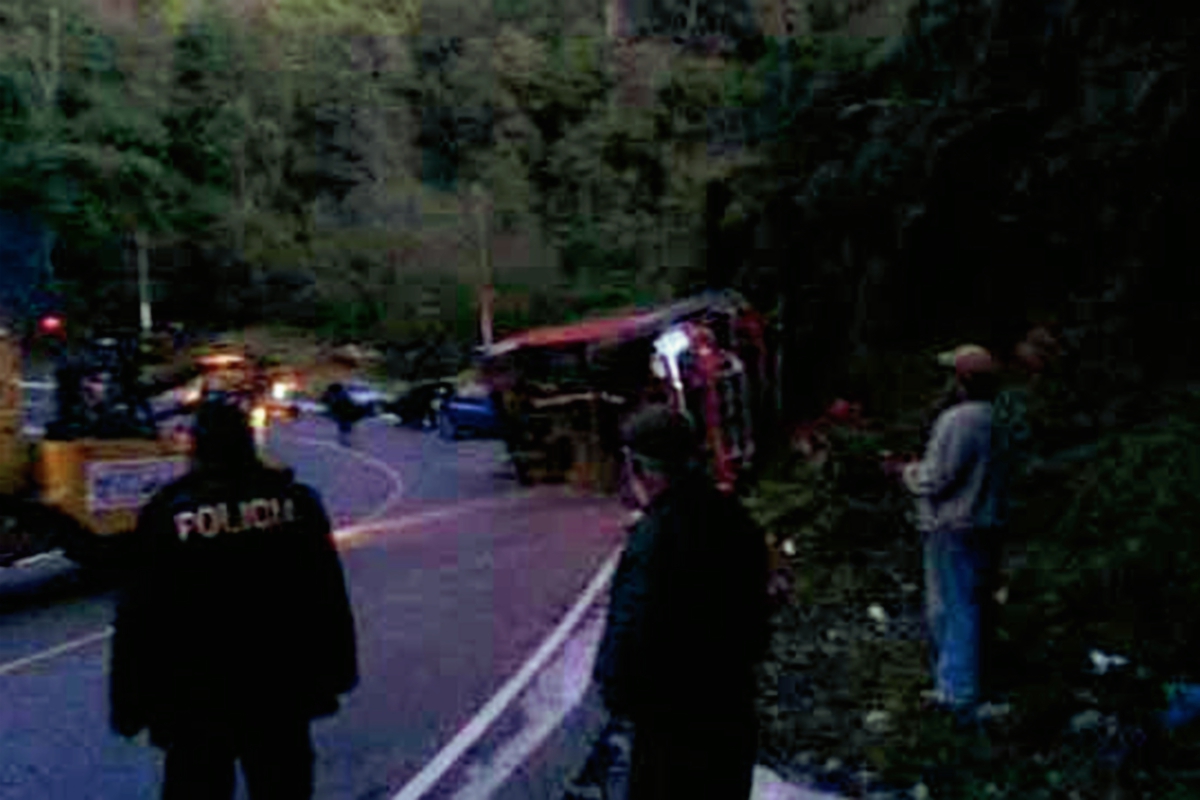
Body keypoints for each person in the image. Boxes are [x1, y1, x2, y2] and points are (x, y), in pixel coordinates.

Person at [110, 399, 359, 800]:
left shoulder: (168, 514)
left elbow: (138, 619)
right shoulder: (295, 503)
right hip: (280, 689)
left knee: (198, 784)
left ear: (196, 446)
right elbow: (326, 596)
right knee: (283, 784)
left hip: (196, 699)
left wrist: (130, 703)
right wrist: (338, 669)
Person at [590, 404, 771, 799]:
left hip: (672, 720)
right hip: (732, 705)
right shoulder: (734, 517)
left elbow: (632, 626)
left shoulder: (655, 537)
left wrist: (613, 688)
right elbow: (759, 615)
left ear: (639, 468)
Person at [886, 344, 1006, 722]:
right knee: (973, 604)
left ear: (962, 380)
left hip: (953, 526)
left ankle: (956, 692)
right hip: (986, 522)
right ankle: (965, 683)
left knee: (953, 608)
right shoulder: (997, 416)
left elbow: (937, 478)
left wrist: (903, 471)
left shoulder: (959, 420)